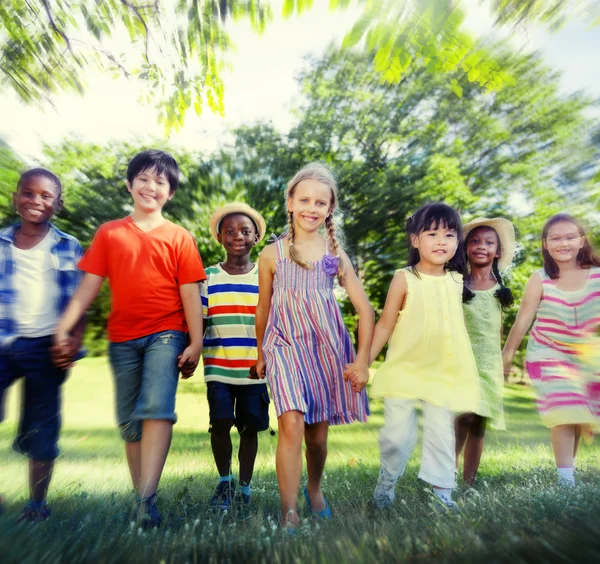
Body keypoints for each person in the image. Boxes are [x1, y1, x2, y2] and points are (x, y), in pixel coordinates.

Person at [54, 149, 206, 526]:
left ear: (170, 193)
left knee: (156, 407)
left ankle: (147, 499)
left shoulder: (180, 237)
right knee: (128, 421)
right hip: (122, 338)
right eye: (143, 178)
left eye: (160, 181)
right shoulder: (109, 233)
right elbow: (89, 287)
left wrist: (196, 341)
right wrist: (63, 326)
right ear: (129, 184)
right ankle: (142, 499)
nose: (150, 186)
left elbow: (190, 292)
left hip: (166, 333)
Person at [254, 163, 374, 529]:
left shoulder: (334, 256)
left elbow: (365, 311)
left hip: (325, 350)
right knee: (290, 423)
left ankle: (315, 488)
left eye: (320, 202)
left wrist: (363, 362)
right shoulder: (271, 255)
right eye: (304, 199)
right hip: (284, 345)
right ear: (289, 202)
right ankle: (288, 512)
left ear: (329, 210)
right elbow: (263, 306)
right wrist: (261, 350)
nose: (311, 207)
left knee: (317, 440)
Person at [370, 202, 480, 511]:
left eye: (449, 234)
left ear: (458, 241)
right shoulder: (404, 278)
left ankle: (442, 493)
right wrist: (362, 363)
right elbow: (385, 324)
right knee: (396, 436)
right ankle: (387, 482)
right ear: (415, 239)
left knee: (441, 432)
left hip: (443, 371)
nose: (441, 241)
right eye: (431, 233)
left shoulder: (459, 281)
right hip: (405, 368)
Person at [0, 168, 84, 522]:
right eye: (29, 193)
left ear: (58, 204)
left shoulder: (68, 245)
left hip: (47, 348)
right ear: (16, 197)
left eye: (46, 196)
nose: (36, 201)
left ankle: (37, 505)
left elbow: (79, 299)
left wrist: (73, 341)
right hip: (3, 343)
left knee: (42, 426)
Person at [503, 213, 600, 487]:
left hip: (588, 357)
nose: (563, 243)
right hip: (549, 352)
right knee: (563, 408)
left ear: (581, 241)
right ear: (545, 244)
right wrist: (507, 356)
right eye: (555, 238)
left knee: (579, 415)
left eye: (570, 237)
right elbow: (523, 320)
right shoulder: (541, 278)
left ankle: (570, 469)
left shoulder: (597, 276)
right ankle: (565, 481)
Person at [201, 203, 269, 510]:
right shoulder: (207, 277)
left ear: (256, 237)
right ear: (219, 237)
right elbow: (200, 321)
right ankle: (224, 482)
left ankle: (245, 487)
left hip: (255, 368)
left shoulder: (266, 278)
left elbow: (274, 322)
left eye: (244, 231)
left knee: (249, 428)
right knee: (221, 423)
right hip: (219, 366)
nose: (237, 236)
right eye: (229, 231)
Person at [456, 217, 515, 487]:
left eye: (489, 242)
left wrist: (504, 362)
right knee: (462, 416)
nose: (482, 246)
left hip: (489, 364)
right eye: (475, 241)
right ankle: (445, 474)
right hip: (461, 362)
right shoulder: (457, 284)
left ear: (498, 251)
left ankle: (469, 481)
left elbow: (499, 329)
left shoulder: (499, 291)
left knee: (479, 423)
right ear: (466, 248)